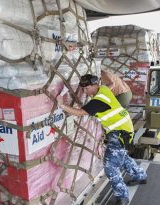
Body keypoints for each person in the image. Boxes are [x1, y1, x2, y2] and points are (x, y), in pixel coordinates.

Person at [57, 74, 147, 205]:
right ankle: (140, 176)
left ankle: (122, 196)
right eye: (83, 88)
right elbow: (111, 84)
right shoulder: (103, 89)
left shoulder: (98, 101)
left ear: (94, 85)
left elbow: (80, 112)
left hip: (120, 132)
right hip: (124, 127)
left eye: (87, 88)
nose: (84, 91)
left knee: (110, 165)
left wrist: (62, 105)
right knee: (121, 156)